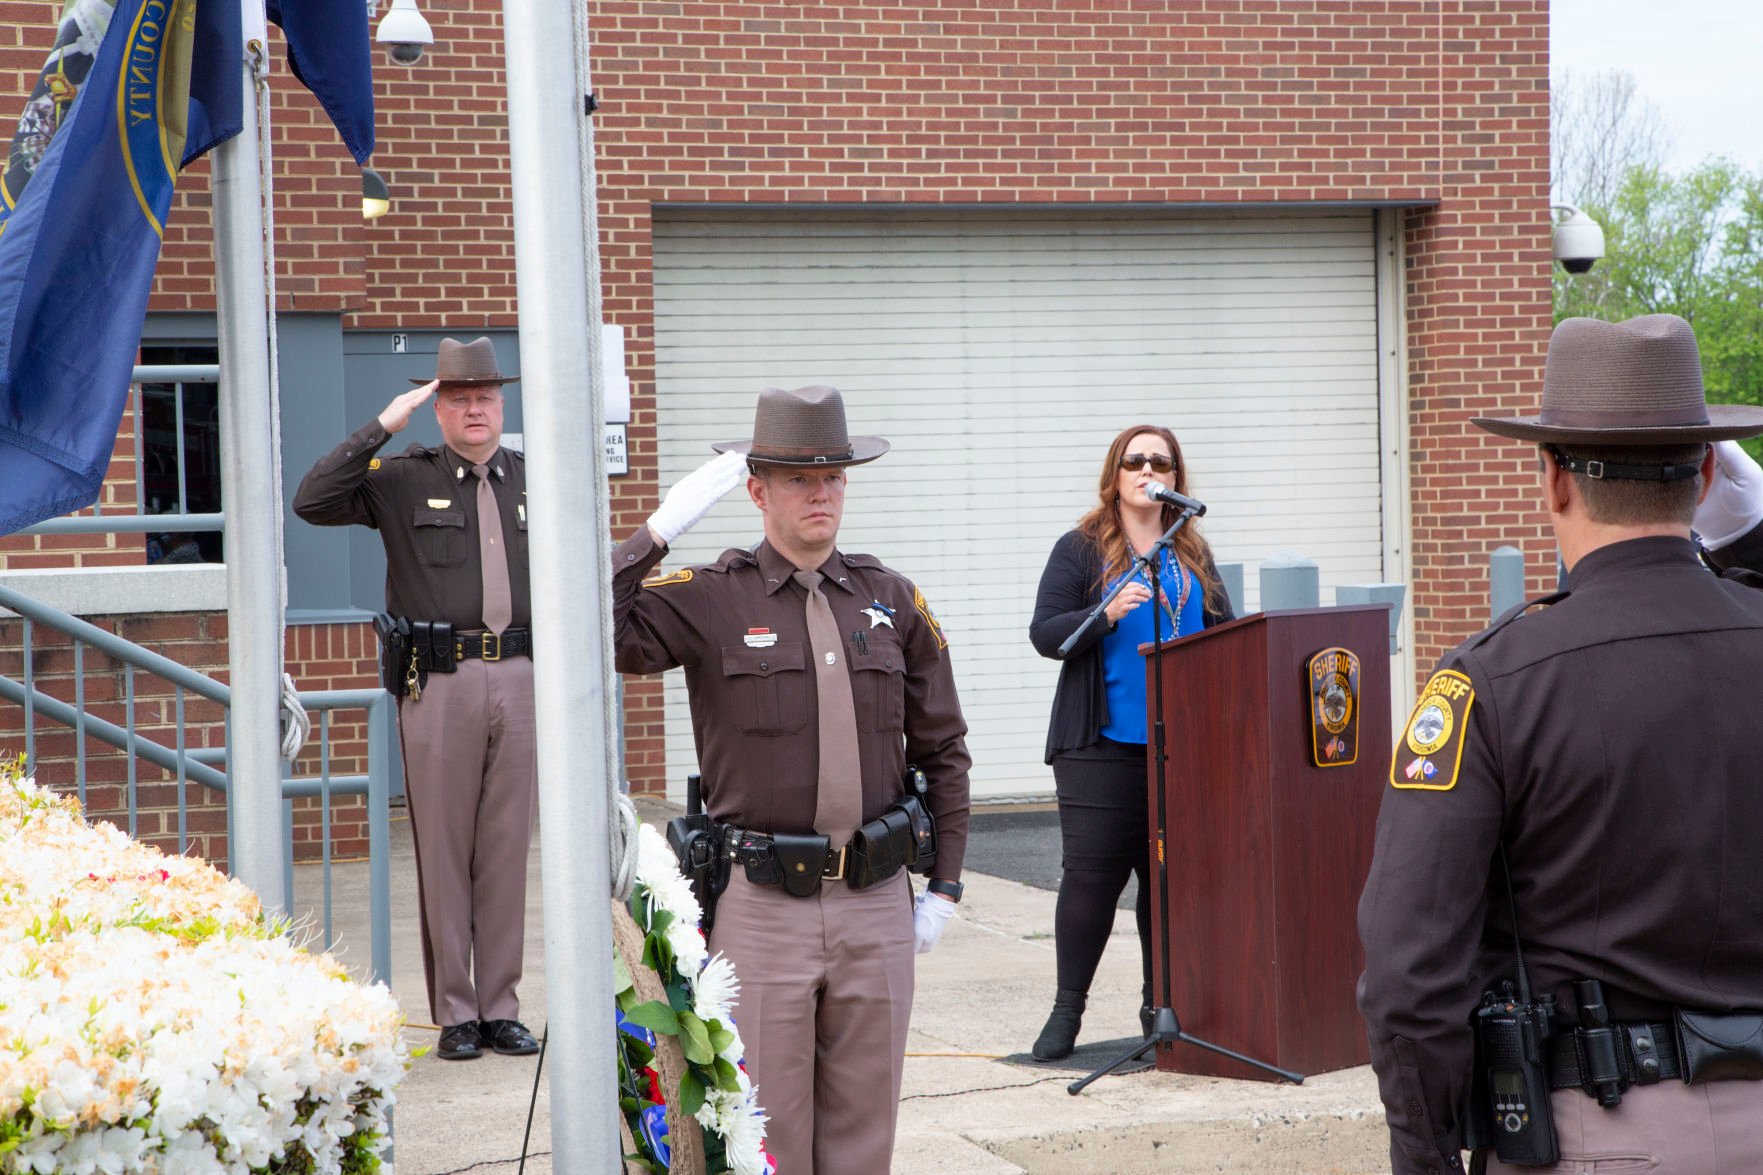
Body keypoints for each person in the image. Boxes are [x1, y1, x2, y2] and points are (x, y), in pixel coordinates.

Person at [1357, 313, 1763, 1175]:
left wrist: (1424, 1160)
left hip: (1603, 1131)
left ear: (1550, 480)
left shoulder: (1491, 683)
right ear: (1702, 473)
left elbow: (1410, 975)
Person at [611, 385, 972, 1174]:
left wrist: (943, 884)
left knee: (863, 1134)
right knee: (765, 1136)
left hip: (876, 900)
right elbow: (587, 628)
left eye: (833, 476)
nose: (821, 492)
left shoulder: (891, 598)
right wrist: (656, 531)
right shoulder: (710, 596)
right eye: (799, 477)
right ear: (755, 490)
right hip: (764, 905)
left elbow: (943, 747)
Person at [292, 337, 540, 1063]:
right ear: (437, 406)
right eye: (459, 397)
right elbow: (313, 500)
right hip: (439, 679)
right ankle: (457, 1012)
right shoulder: (402, 478)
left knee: (504, 849)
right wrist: (382, 425)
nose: (474, 409)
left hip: (522, 674)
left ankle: (501, 1006)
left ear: (501, 404)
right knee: (442, 844)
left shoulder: (532, 478)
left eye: (486, 396)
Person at [1026, 424, 1234, 1060]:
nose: (1150, 470)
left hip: (1181, 747)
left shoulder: (1192, 552)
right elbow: (1045, 634)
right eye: (1136, 460)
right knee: (1091, 878)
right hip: (1101, 744)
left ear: (1177, 478)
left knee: (1167, 883)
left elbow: (1227, 633)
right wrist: (1108, 613)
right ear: (1115, 474)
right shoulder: (1082, 549)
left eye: (1162, 462)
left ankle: (1159, 1008)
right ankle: (1067, 1014)